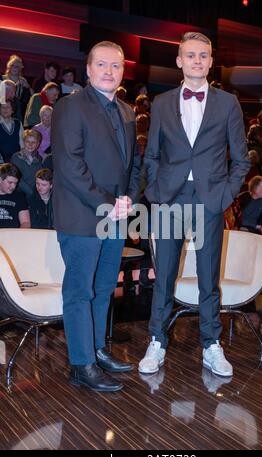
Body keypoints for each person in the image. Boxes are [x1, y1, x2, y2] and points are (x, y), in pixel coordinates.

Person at [138, 32, 250, 377]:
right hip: (170, 199)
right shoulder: (161, 103)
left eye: (203, 55)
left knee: (207, 277)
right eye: (190, 55)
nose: (197, 61)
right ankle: (157, 341)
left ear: (211, 61)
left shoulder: (228, 103)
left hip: (209, 200)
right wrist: (156, 192)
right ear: (179, 60)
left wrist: (224, 194)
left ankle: (211, 345)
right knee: (164, 275)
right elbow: (152, 154)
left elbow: (242, 160)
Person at [52, 41, 140, 392]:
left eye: (115, 66)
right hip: (82, 216)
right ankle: (81, 364)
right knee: (80, 291)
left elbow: (131, 166)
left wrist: (131, 196)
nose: (108, 71)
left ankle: (98, 349)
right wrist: (109, 202)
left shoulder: (128, 111)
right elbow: (70, 167)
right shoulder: (70, 107)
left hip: (115, 216)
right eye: (101, 64)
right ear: (88, 70)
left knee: (104, 288)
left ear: (122, 71)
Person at [0, 163, 30, 228]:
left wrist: (18, 236)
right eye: (10, 182)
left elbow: (25, 222)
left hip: (13, 236)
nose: (13, 186)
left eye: (15, 183)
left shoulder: (19, 197)